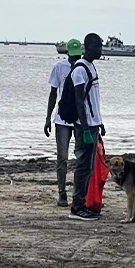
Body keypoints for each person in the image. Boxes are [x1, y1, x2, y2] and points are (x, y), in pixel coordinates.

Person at [68, 33, 106, 221]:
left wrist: (100, 123)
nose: (100, 50)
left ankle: (82, 203)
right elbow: (79, 101)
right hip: (85, 127)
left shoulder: (91, 67)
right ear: (87, 47)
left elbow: (93, 101)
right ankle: (77, 206)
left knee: (89, 167)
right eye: (97, 47)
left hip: (93, 124)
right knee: (83, 167)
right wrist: (84, 129)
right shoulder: (80, 70)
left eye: (100, 46)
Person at [44, 39, 82, 207]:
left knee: (82, 159)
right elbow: (53, 94)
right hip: (62, 119)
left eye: (77, 55)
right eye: (72, 56)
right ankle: (62, 193)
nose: (75, 58)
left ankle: (80, 194)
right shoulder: (59, 67)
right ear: (67, 54)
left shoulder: (84, 68)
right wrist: (47, 118)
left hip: (81, 119)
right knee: (62, 158)